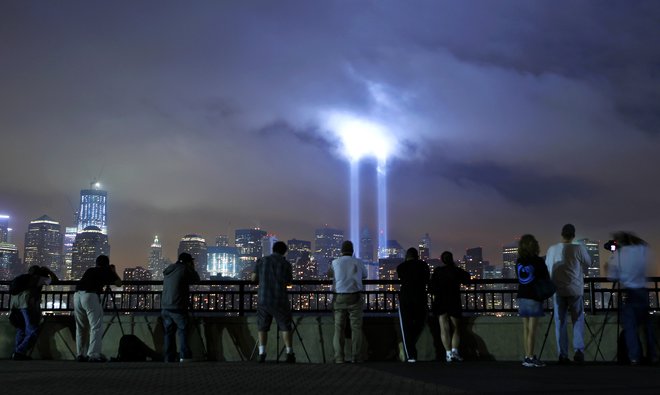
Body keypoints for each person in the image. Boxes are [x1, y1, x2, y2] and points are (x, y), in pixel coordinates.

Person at [604, 231, 656, 365]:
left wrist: (608, 265)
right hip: (643, 292)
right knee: (647, 327)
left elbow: (612, 277)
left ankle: (634, 357)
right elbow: (645, 246)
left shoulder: (618, 254)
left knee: (630, 327)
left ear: (618, 242)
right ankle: (653, 355)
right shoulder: (640, 249)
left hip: (630, 293)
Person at [545, 224, 591, 364]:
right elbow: (588, 262)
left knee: (560, 322)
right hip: (575, 289)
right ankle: (578, 351)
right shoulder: (578, 248)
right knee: (578, 320)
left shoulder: (552, 249)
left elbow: (548, 266)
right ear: (573, 235)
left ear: (561, 234)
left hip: (557, 290)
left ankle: (562, 354)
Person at [252, 241, 296, 363]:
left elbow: (254, 278)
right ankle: (289, 353)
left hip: (263, 299)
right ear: (284, 252)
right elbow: (288, 282)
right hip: (280, 299)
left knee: (262, 327)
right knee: (285, 327)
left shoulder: (261, 261)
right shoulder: (286, 264)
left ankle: (262, 353)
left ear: (273, 249)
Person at [74, 254, 122, 362]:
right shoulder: (107, 271)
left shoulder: (90, 270)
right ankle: (93, 354)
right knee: (96, 326)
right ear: (107, 264)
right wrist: (113, 271)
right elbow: (119, 283)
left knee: (81, 327)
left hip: (77, 295)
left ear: (96, 263)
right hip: (90, 296)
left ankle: (80, 354)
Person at [328, 240, 367, 363]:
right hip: (355, 296)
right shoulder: (358, 262)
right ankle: (356, 356)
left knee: (338, 328)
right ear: (352, 251)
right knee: (356, 327)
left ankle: (339, 357)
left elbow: (329, 274)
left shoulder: (335, 262)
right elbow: (365, 275)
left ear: (341, 251)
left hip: (339, 297)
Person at [9, 265, 58, 360]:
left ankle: (18, 354)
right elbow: (55, 281)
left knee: (21, 329)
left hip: (15, 305)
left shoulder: (22, 279)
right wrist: (49, 271)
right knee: (33, 330)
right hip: (26, 305)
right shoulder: (39, 279)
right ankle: (19, 351)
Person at [430, 251, 471, 363]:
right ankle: (455, 351)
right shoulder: (457, 271)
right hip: (453, 300)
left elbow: (431, 287)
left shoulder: (438, 271)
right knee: (456, 327)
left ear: (442, 260)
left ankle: (448, 354)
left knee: (444, 328)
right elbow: (467, 279)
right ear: (451, 259)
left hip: (440, 301)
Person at [516, 234, 550, 368]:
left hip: (522, 295)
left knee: (526, 328)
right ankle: (530, 358)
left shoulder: (519, 261)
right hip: (534, 296)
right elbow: (545, 277)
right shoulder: (538, 261)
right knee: (532, 329)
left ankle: (527, 355)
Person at [161, 252, 201, 362]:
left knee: (168, 333)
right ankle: (185, 356)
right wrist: (192, 268)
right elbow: (196, 280)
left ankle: (169, 358)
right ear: (188, 262)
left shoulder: (170, 268)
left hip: (165, 306)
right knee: (182, 331)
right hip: (178, 305)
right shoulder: (184, 269)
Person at [396, 247, 430, 362]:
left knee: (406, 326)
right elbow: (427, 279)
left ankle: (411, 355)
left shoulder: (401, 267)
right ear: (417, 256)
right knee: (421, 321)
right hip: (421, 297)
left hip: (405, 298)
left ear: (406, 256)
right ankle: (410, 348)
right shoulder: (423, 265)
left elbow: (401, 278)